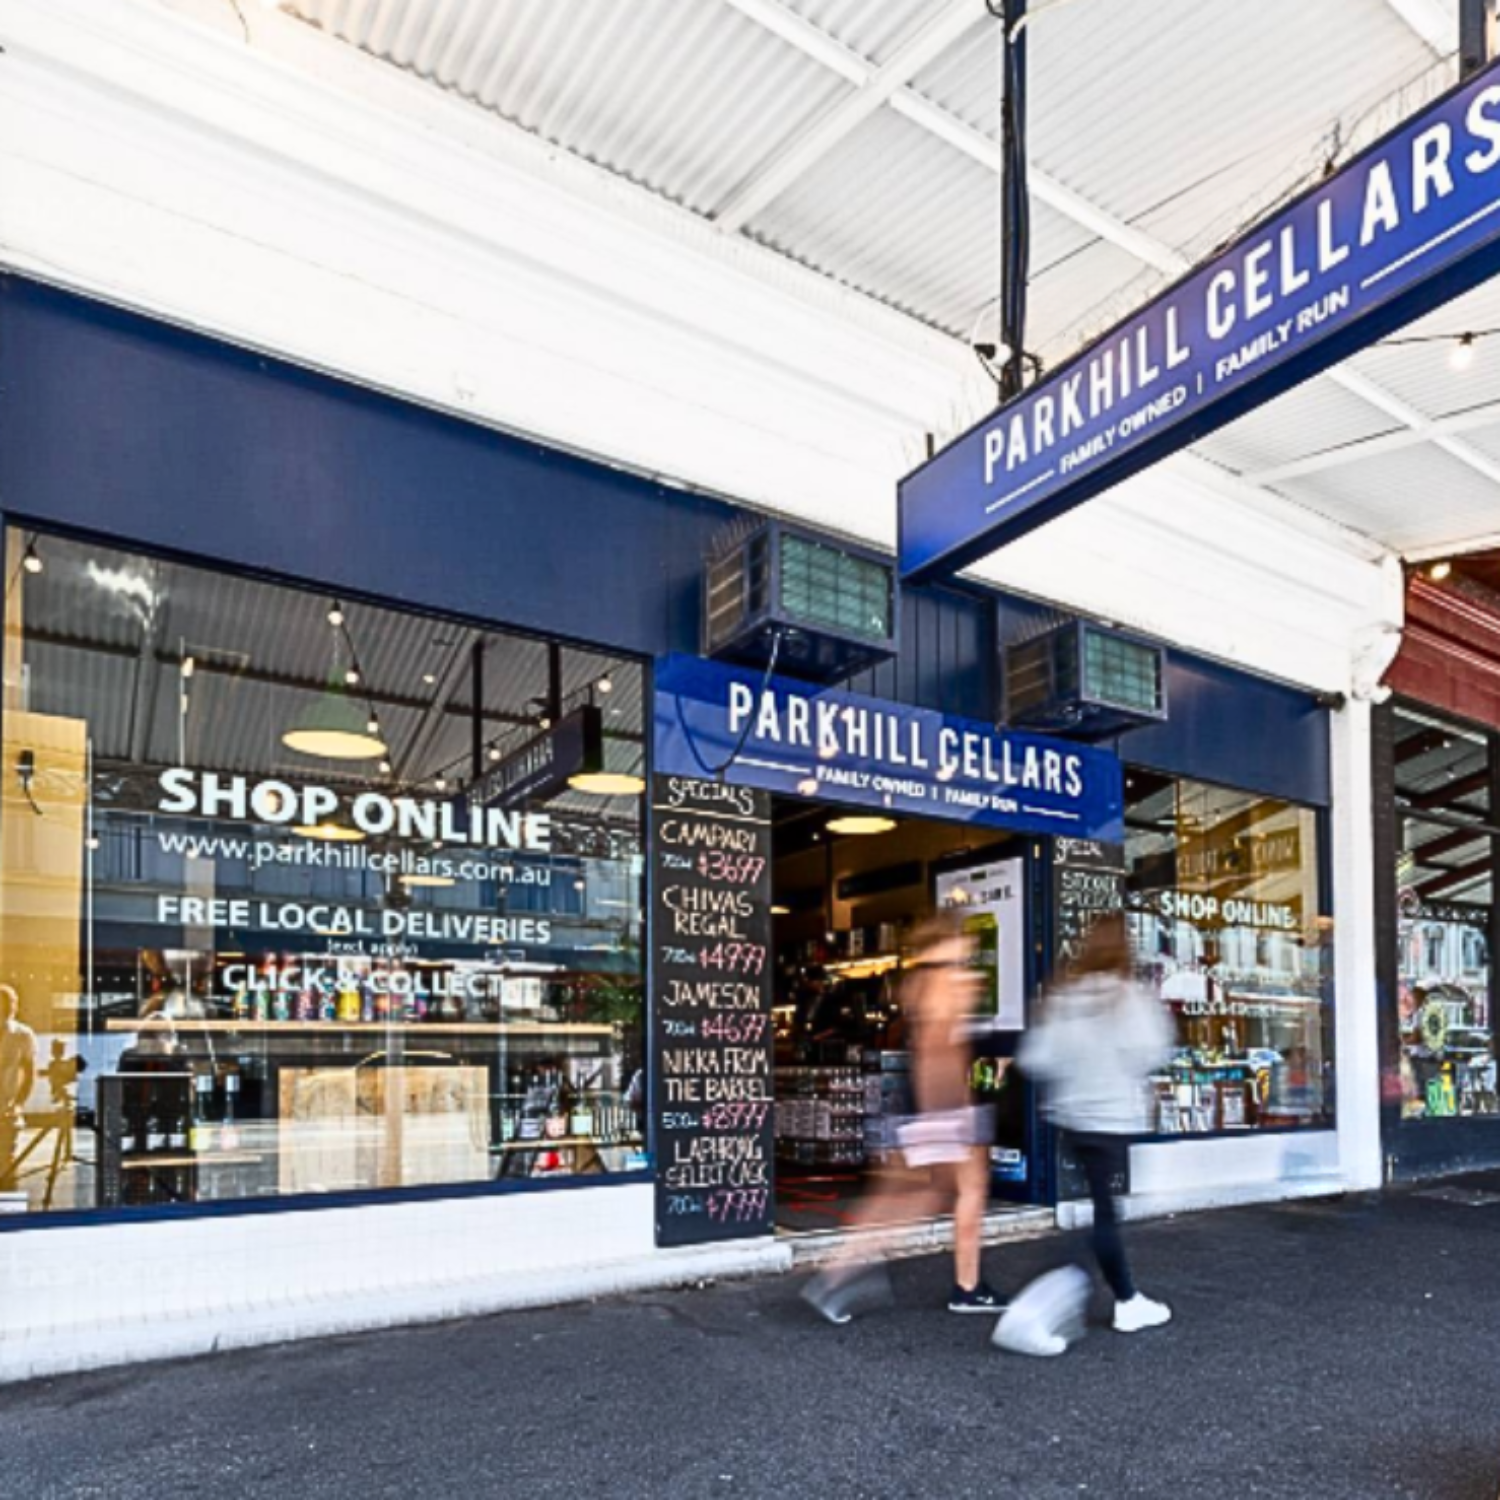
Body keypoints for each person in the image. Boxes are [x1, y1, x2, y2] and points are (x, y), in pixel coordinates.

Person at [802, 910, 1002, 1323]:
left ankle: (838, 1273)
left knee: (907, 1196)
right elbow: (941, 1050)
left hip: (921, 1099)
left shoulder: (917, 982)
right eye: (963, 938)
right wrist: (954, 1115)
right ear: (949, 940)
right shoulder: (949, 981)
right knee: (961, 1193)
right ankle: (966, 1288)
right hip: (945, 1101)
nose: (969, 945)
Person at [995, 913, 1172, 1357]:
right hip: (1111, 1117)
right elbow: (1154, 1051)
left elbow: (1036, 1059)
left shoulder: (1064, 996)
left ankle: (1128, 1298)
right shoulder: (1127, 996)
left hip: (1071, 1117)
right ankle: (1038, 1309)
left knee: (1101, 1211)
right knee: (1103, 1218)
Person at [0, 985, 38, 1190]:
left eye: (8, 1006)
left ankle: (9, 1213)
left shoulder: (23, 1034)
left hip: (6, 1112)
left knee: (7, 1165)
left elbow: (30, 1073)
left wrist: (18, 1104)